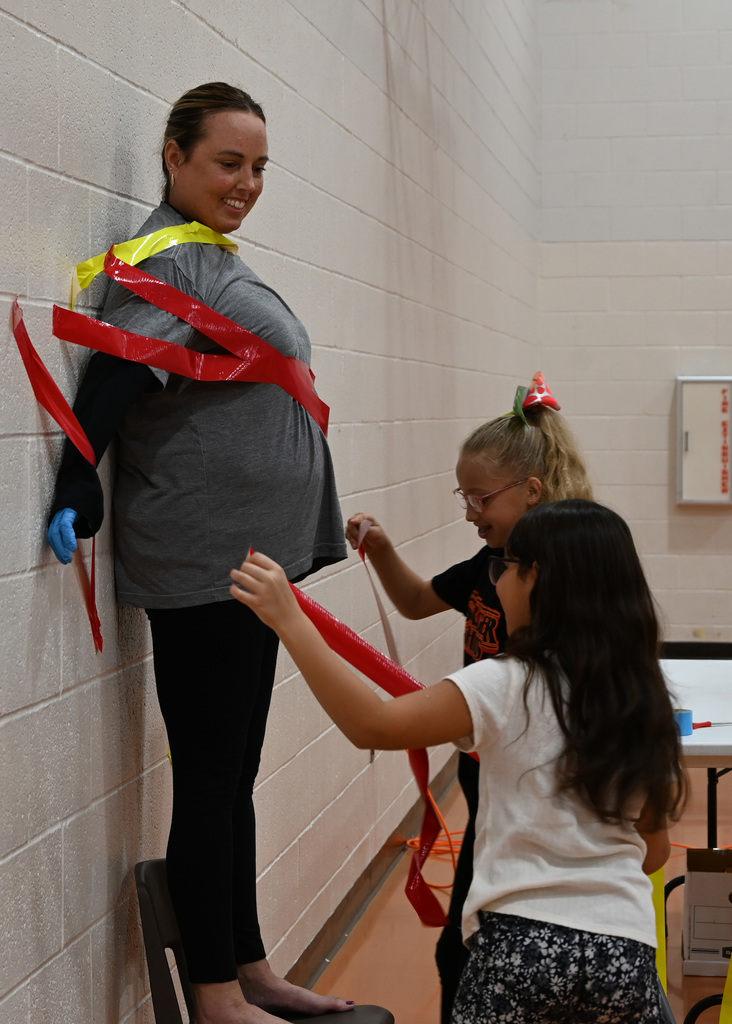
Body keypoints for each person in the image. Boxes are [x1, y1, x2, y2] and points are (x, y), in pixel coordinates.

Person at [46, 83, 352, 1024]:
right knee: (213, 778)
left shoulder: (204, 259)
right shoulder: (173, 259)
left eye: (259, 167)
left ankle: (249, 966)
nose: (248, 182)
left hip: (243, 567)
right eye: (229, 162)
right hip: (204, 566)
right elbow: (112, 372)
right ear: (174, 156)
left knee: (231, 778)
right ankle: (217, 993)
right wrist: (73, 484)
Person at [230, 499, 686, 1024]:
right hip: (623, 953)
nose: (497, 583)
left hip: (518, 951)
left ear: (538, 579)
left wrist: (289, 620)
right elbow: (652, 852)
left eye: (507, 568)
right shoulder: (644, 700)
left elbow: (373, 725)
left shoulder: (505, 682)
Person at [345, 374, 593, 1021]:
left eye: (479, 496)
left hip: (534, 784)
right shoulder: (488, 568)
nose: (469, 511)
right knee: (464, 943)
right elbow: (416, 600)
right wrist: (383, 549)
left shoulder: (559, 586)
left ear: (531, 491)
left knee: (486, 942)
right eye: (464, 495)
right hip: (487, 778)